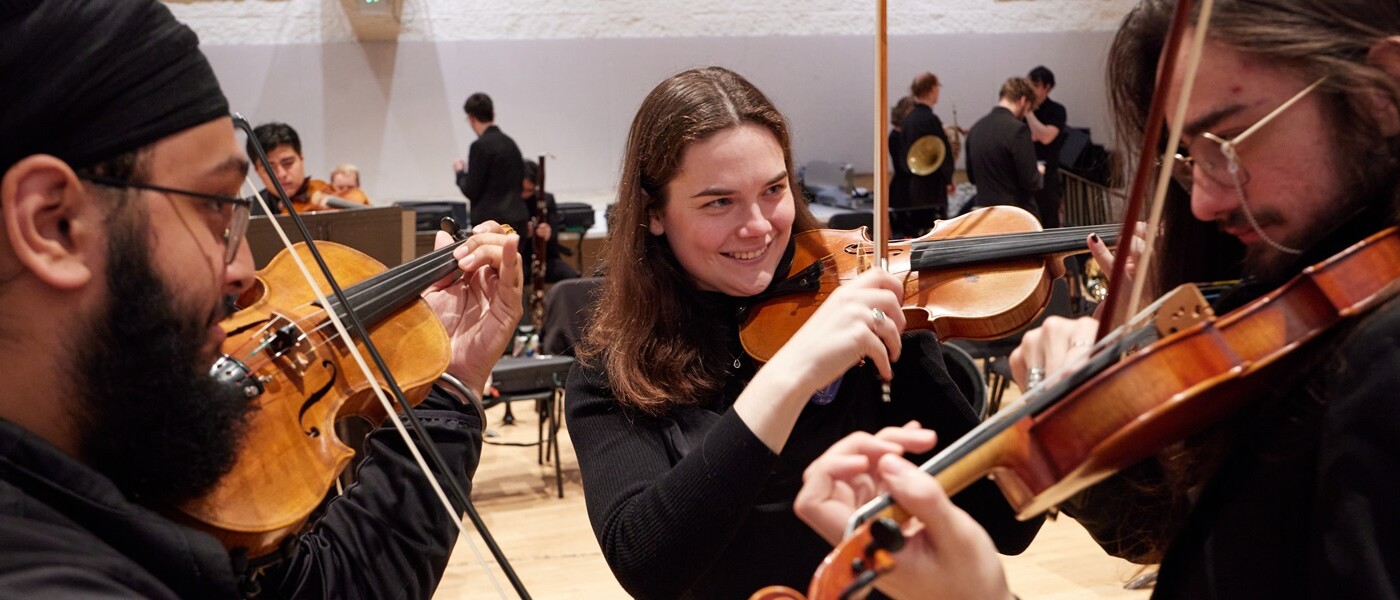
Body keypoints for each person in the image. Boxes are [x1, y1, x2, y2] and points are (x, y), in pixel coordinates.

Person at [794, 1, 1400, 598]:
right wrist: (1125, 379)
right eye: (1191, 156)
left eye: (1232, 142)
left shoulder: (1383, 360)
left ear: (1383, 92)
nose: (1204, 204)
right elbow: (1172, 537)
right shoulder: (1301, 294)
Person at [0, 1, 524, 597]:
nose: (244, 269)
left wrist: (450, 382)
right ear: (54, 224)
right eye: (211, 208)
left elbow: (327, 588)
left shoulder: (114, 447)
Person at [564, 66, 1042, 599]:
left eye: (773, 189)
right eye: (719, 201)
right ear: (654, 213)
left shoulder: (865, 313)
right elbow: (647, 565)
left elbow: (1008, 524)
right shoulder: (613, 368)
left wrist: (1053, 392)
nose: (759, 225)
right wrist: (795, 371)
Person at [965, 77, 1044, 219]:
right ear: (1023, 101)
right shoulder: (1018, 130)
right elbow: (1030, 181)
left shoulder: (975, 129)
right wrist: (1039, 173)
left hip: (983, 215)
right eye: (1028, 109)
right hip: (1014, 216)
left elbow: (972, 178)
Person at [248, 122, 372, 213]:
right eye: (270, 168)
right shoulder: (249, 213)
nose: (281, 174)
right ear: (257, 171)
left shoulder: (326, 193)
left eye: (288, 163)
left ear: (301, 158)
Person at [454, 92, 530, 237]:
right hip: (518, 219)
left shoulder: (479, 146)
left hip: (492, 224)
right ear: (493, 114)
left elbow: (471, 190)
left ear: (471, 118)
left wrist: (459, 173)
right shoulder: (510, 143)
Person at [900, 72, 957, 229]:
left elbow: (903, 156)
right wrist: (948, 178)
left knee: (919, 230)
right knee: (935, 230)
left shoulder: (908, 119)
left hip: (914, 186)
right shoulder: (931, 119)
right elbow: (943, 151)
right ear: (933, 89)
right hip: (933, 187)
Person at [520, 159, 581, 284]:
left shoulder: (546, 199)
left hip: (546, 258)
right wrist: (523, 232)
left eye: (529, 190)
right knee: (516, 278)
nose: (525, 194)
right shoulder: (510, 202)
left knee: (572, 277)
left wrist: (548, 233)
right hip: (520, 257)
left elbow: (554, 234)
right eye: (522, 189)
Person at [1026, 66, 1068, 228]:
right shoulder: (1020, 111)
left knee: (1048, 223)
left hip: (1047, 179)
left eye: (1035, 85)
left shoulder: (1056, 110)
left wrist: (1029, 112)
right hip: (1024, 177)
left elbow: (1044, 137)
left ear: (1047, 87)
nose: (1030, 90)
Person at [888, 96, 920, 238]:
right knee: (904, 233)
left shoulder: (907, 134)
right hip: (902, 191)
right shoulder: (895, 136)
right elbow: (902, 166)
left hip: (910, 188)